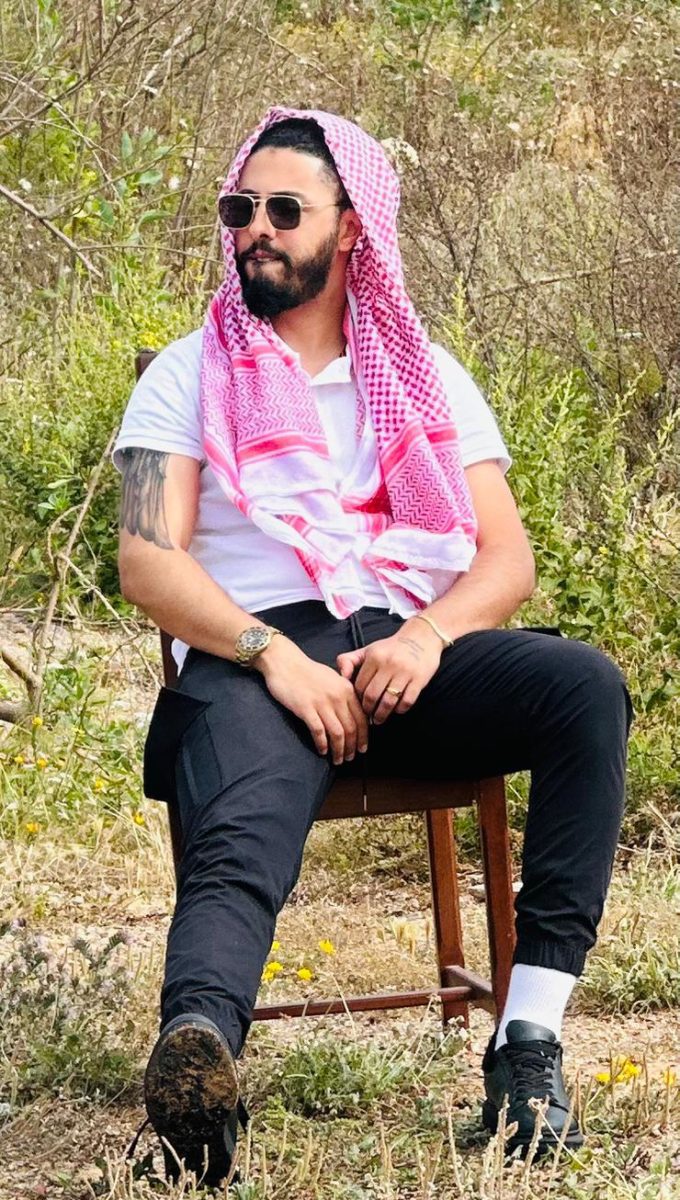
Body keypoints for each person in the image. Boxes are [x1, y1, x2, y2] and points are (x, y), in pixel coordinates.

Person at [113, 107, 633, 1184]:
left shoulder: (425, 371)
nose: (255, 229)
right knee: (240, 832)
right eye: (239, 208)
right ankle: (197, 1072)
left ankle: (527, 1044)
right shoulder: (183, 373)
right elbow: (148, 562)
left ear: (352, 228)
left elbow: (505, 559)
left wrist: (429, 636)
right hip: (256, 658)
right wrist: (271, 655)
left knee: (583, 688)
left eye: (283, 209)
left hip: (405, 651)